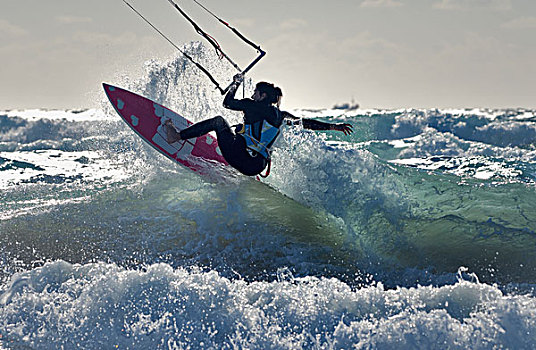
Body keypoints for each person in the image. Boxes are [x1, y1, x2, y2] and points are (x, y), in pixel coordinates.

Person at [164, 74, 353, 176]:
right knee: (239, 131)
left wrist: (235, 84)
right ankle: (231, 164)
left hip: (240, 157)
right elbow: (306, 123)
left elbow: (227, 103)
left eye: (255, 92)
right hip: (256, 167)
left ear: (262, 96)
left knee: (219, 122)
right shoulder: (281, 115)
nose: (253, 95)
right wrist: (333, 127)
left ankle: (176, 136)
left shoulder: (254, 106)